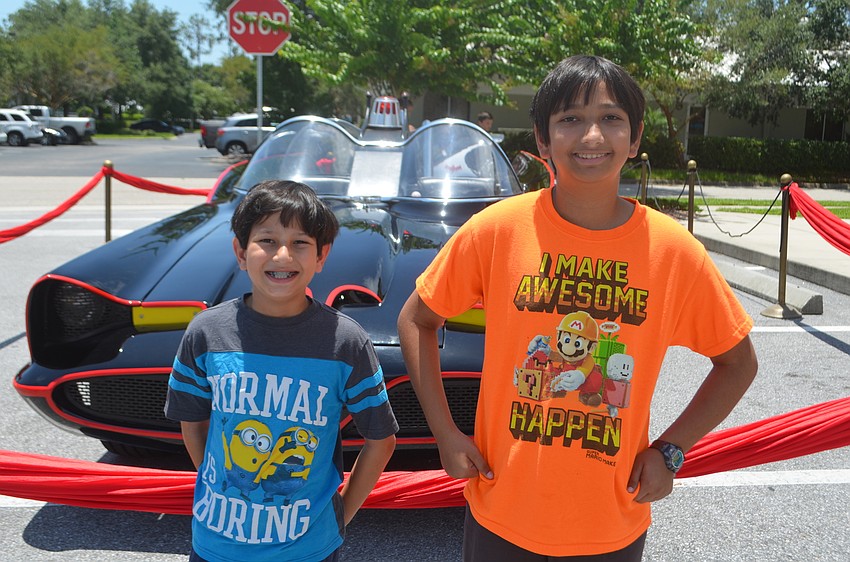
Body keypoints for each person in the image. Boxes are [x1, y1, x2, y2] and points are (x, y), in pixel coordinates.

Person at [397, 55, 757, 561]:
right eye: (570, 118)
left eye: (611, 118)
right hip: (502, 511)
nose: (592, 135)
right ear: (543, 140)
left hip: (610, 521)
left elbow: (737, 362)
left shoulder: (673, 252)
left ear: (635, 138)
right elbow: (417, 318)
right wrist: (445, 432)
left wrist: (671, 450)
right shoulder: (497, 230)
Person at [165, 180, 398, 562]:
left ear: (321, 256)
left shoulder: (345, 341)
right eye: (268, 240)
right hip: (215, 547)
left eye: (300, 242)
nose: (283, 255)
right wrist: (227, 487)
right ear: (241, 252)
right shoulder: (206, 332)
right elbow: (193, 425)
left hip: (309, 550)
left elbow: (381, 440)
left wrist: (340, 516)